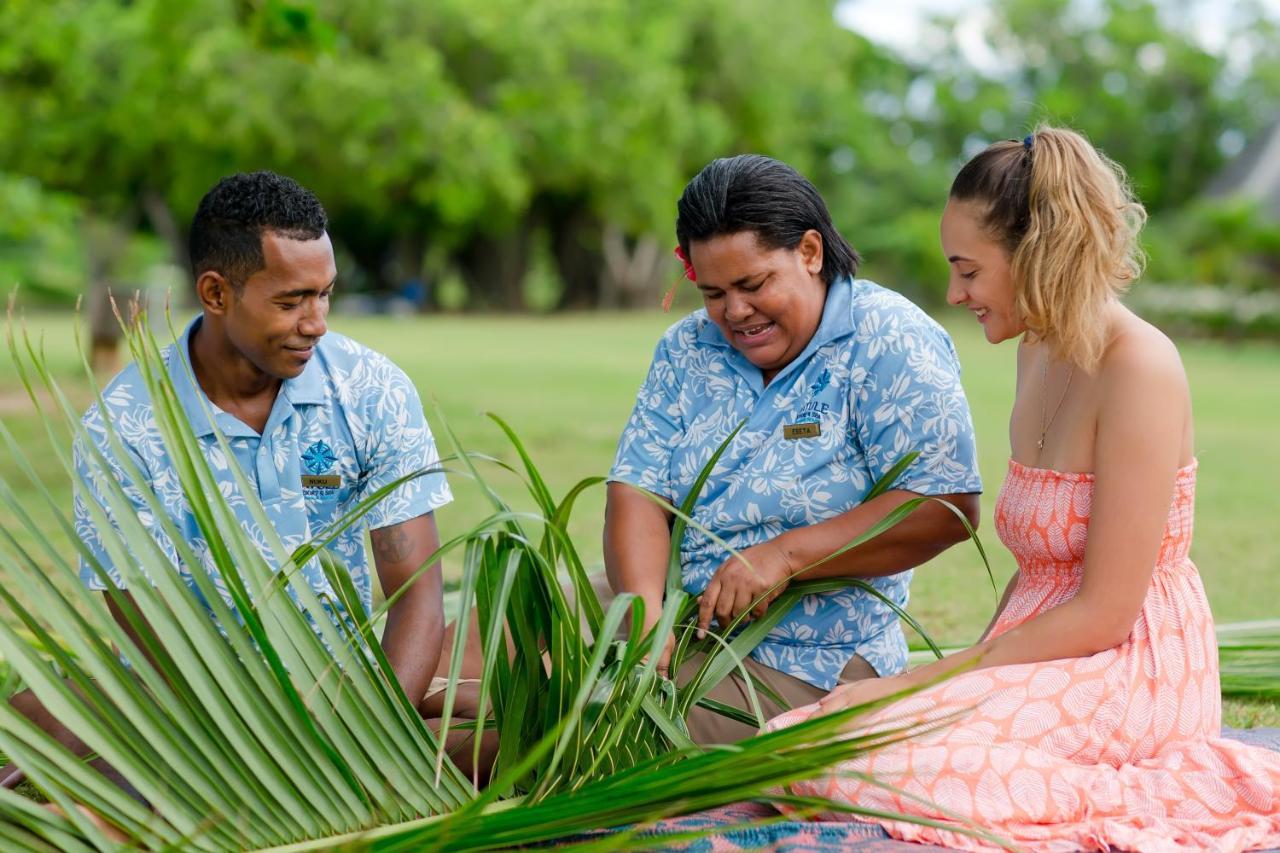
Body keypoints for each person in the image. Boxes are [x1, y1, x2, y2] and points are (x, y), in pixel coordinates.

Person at [767, 127, 1280, 850]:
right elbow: (1038, 573)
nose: (954, 292)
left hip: (1126, 668)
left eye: (968, 270)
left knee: (876, 762)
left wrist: (923, 682)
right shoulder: (1037, 345)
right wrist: (960, 677)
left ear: (1038, 254)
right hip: (1036, 652)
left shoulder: (1141, 367)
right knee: (809, 738)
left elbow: (1105, 612)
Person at [4, 171, 453, 786]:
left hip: (347, 689)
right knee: (41, 735)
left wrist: (372, 740)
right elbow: (151, 641)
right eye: (291, 301)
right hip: (192, 704)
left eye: (325, 294)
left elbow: (418, 594)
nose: (316, 322)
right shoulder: (126, 427)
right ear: (216, 294)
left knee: (488, 733)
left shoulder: (373, 391)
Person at [604, 154, 984, 745]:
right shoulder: (686, 349)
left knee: (570, 722)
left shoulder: (889, 340)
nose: (733, 312)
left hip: (809, 655)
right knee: (478, 656)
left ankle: (419, 761)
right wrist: (644, 611)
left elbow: (947, 507)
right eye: (712, 293)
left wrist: (782, 557)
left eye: (753, 285)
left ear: (810, 253)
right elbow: (637, 486)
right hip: (673, 602)